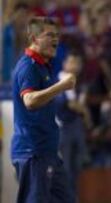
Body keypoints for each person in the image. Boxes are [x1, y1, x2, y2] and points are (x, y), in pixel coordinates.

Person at [11, 17, 76, 203]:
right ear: (33, 38)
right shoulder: (28, 66)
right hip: (33, 153)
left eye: (56, 35)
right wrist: (61, 86)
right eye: (49, 35)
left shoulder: (42, 66)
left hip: (47, 153)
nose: (55, 39)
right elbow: (30, 101)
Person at [55, 52, 92, 197]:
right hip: (63, 127)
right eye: (71, 62)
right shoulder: (61, 80)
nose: (74, 66)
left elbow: (80, 103)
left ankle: (71, 197)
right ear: (65, 64)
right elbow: (72, 105)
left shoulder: (79, 83)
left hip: (75, 126)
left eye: (77, 63)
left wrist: (83, 110)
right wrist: (86, 113)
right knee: (66, 166)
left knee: (76, 166)